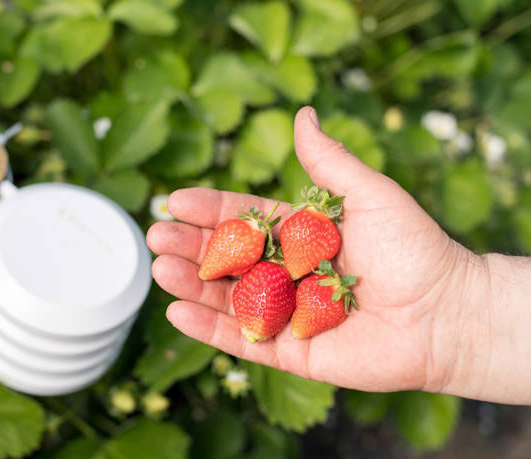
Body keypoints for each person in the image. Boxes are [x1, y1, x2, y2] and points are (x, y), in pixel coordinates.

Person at [146, 106, 531, 405]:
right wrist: (461, 301)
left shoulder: (307, 247)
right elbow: (292, 270)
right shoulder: (306, 252)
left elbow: (291, 272)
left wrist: (453, 299)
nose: (294, 268)